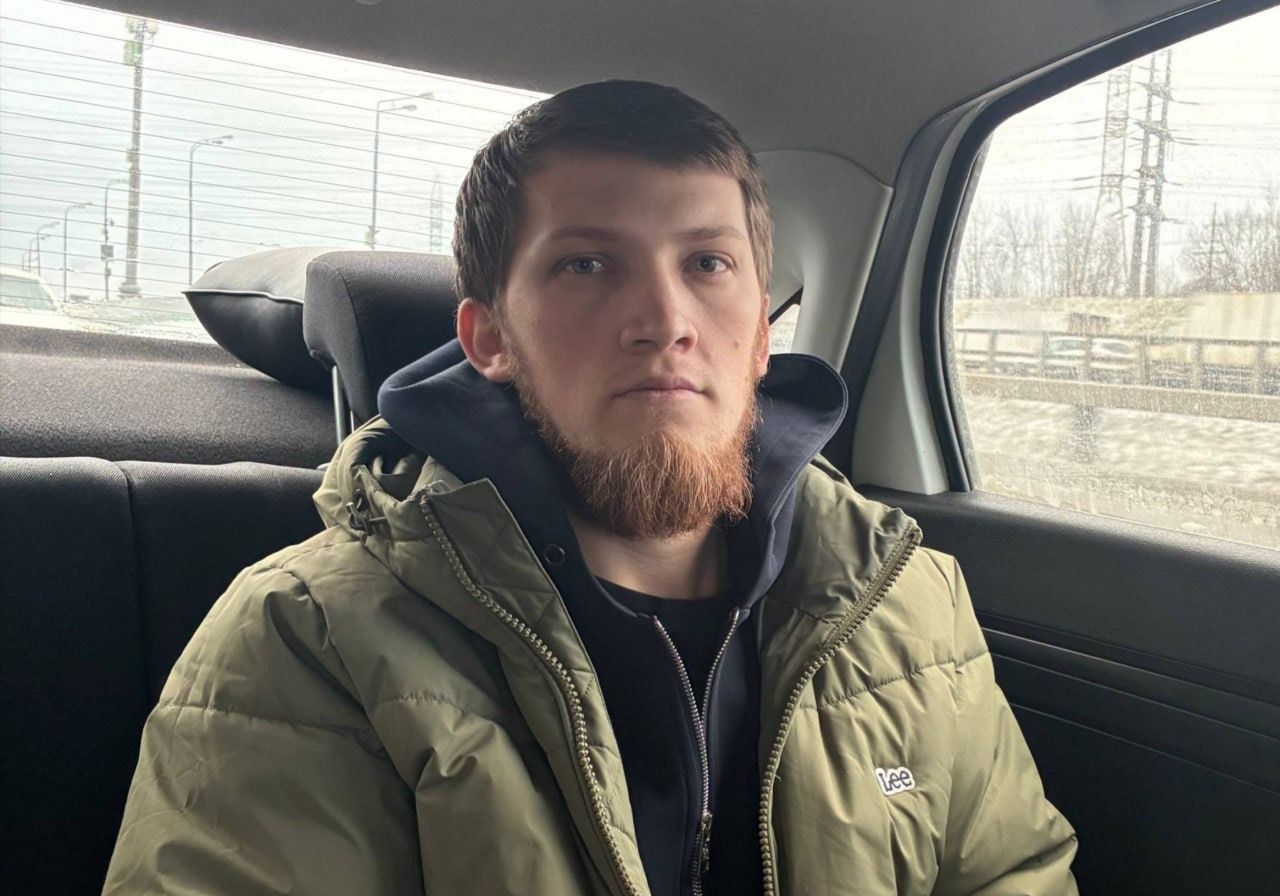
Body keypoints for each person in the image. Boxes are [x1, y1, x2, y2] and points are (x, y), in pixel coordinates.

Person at [103, 80, 1077, 896]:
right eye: (586, 264)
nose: (663, 317)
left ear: (760, 333)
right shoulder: (309, 636)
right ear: (490, 338)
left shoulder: (907, 604)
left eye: (707, 263)